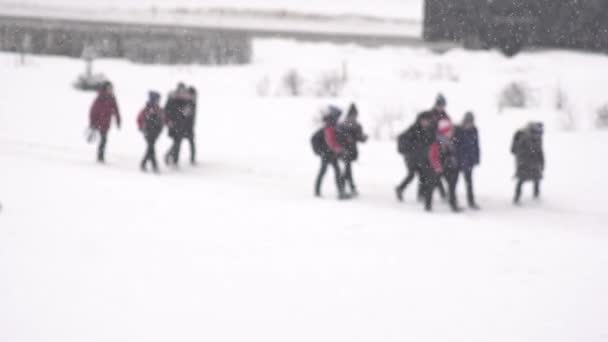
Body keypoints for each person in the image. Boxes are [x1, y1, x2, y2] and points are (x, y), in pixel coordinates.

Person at [423, 119, 462, 212]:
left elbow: (453, 153)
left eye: (451, 131)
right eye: (449, 131)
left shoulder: (451, 141)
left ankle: (453, 204)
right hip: (437, 168)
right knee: (431, 186)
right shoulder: (437, 142)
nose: (451, 133)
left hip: (448, 167)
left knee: (452, 186)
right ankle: (428, 205)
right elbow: (433, 156)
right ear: (444, 131)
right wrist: (437, 167)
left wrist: (454, 162)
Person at [395, 112, 434, 201]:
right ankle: (400, 189)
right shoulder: (413, 129)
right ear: (420, 120)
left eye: (427, 121)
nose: (425, 123)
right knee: (411, 174)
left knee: (423, 175)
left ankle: (421, 194)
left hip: (421, 157)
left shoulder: (429, 130)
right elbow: (401, 138)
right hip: (411, 157)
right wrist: (407, 149)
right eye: (424, 121)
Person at [312, 106, 347, 200]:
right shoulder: (330, 126)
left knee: (333, 171)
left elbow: (333, 140)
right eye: (338, 116)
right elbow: (331, 141)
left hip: (329, 153)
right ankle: (339, 192)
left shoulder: (331, 124)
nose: (339, 118)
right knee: (328, 171)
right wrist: (338, 149)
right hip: (327, 153)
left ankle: (339, 191)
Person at [337, 103, 368, 197]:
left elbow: (339, 136)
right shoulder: (355, 125)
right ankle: (343, 190)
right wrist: (363, 137)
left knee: (347, 169)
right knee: (346, 170)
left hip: (345, 150)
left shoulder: (343, 124)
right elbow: (359, 138)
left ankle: (351, 188)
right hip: (348, 150)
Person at [512, 122, 545, 205]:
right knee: (521, 179)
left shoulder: (538, 138)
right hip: (524, 163)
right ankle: (516, 197)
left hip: (535, 163)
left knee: (537, 179)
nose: (538, 135)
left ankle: (536, 196)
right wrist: (524, 162)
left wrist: (542, 162)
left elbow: (540, 151)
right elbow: (520, 152)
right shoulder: (524, 138)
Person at [89, 81, 120, 163]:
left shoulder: (112, 98)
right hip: (99, 123)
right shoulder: (100, 98)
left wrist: (118, 120)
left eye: (111, 88)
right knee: (103, 139)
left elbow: (116, 110)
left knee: (104, 140)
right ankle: (100, 156)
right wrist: (92, 123)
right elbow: (93, 111)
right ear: (105, 88)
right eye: (109, 88)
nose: (111, 90)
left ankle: (100, 156)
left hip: (106, 123)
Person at [454, 112, 481, 209]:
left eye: (471, 122)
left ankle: (471, 201)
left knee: (469, 183)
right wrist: (454, 158)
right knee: (454, 182)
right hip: (458, 160)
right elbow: (454, 145)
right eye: (468, 122)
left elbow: (476, 145)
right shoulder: (457, 129)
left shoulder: (474, 130)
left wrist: (477, 158)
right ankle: (453, 200)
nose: (470, 124)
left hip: (469, 161)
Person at [164, 83, 192, 167]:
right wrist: (169, 121)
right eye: (180, 90)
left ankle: (174, 159)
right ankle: (171, 157)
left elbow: (187, 113)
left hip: (181, 125)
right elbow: (166, 111)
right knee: (177, 142)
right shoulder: (172, 99)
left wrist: (185, 113)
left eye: (183, 90)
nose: (182, 92)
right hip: (173, 124)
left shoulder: (186, 100)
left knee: (178, 143)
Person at [137, 91, 164, 173]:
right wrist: (142, 127)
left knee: (150, 148)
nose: (158, 101)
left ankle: (143, 163)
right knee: (151, 148)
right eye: (157, 100)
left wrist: (161, 127)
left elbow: (163, 119)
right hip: (148, 131)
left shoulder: (159, 109)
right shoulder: (147, 109)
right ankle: (154, 165)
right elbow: (139, 119)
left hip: (156, 132)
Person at [183, 86, 198, 165]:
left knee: (191, 143)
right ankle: (169, 155)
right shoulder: (188, 102)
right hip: (184, 126)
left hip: (190, 127)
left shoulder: (192, 102)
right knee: (177, 143)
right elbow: (184, 114)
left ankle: (192, 159)